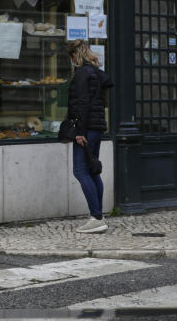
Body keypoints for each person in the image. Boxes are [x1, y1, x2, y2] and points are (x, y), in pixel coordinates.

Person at [66, 38, 113, 234]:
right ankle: (98, 216)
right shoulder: (96, 73)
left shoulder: (82, 73)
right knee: (93, 170)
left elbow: (82, 104)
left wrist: (79, 132)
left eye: (71, 57)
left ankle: (96, 217)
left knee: (81, 171)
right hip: (97, 127)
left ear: (75, 55)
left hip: (86, 129)